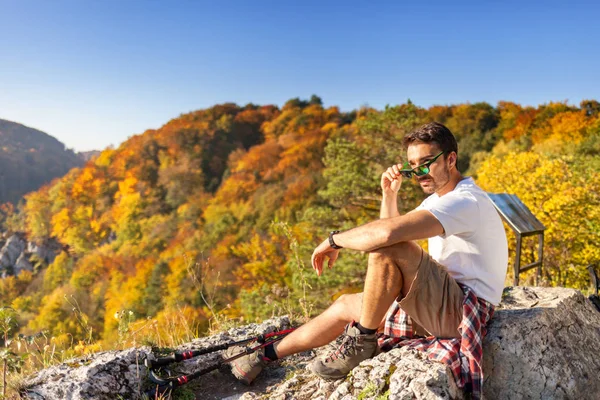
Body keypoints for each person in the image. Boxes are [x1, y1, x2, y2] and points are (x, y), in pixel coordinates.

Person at [225, 122, 508, 394]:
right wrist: (389, 195)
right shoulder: (437, 200)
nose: (419, 172)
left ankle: (362, 340)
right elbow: (392, 239)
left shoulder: (464, 200)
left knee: (387, 247)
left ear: (451, 159)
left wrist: (334, 240)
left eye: (426, 163)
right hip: (441, 302)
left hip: (463, 311)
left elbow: (388, 238)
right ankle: (262, 356)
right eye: (412, 167)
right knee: (345, 304)